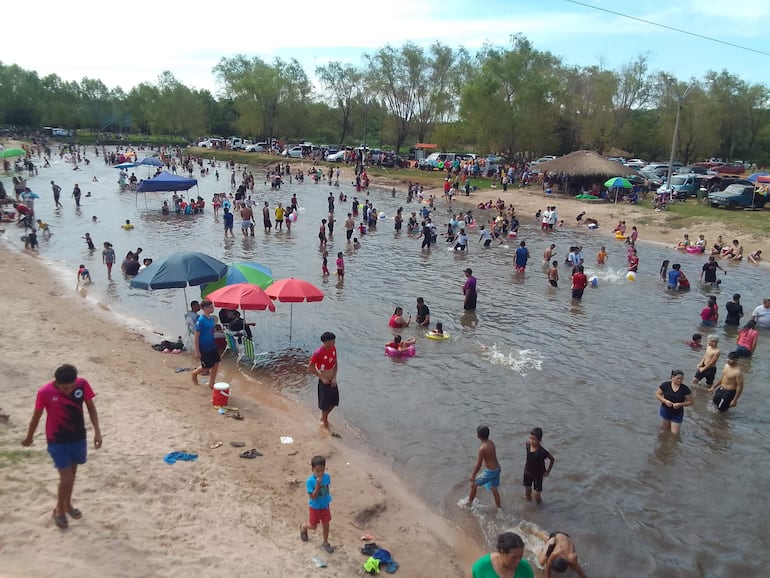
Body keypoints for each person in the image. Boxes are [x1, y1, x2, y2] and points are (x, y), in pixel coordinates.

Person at [21, 364, 102, 529]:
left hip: (78, 437)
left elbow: (91, 407)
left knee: (72, 474)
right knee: (66, 478)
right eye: (65, 388)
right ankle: (59, 509)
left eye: (72, 386)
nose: (69, 390)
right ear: (56, 382)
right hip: (56, 440)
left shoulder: (82, 385)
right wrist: (29, 436)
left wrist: (97, 432)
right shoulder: (45, 392)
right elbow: (36, 416)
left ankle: (67, 504)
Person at [299, 455, 334, 554]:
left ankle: (325, 542)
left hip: (325, 506)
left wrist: (327, 501)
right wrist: (318, 485)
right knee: (313, 526)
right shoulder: (310, 481)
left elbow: (326, 490)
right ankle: (303, 527)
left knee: (326, 524)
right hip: (315, 507)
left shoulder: (326, 477)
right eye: (317, 471)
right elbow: (313, 497)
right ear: (312, 470)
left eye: (322, 471)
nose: (320, 473)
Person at [308, 331, 339, 430]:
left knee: (334, 402)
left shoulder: (333, 349)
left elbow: (335, 363)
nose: (334, 343)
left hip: (332, 380)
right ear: (326, 342)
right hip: (324, 382)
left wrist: (334, 377)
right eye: (333, 341)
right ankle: (325, 425)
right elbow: (310, 368)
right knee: (325, 405)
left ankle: (323, 417)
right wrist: (322, 377)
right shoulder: (318, 353)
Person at [467, 425, 502, 509]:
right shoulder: (491, 442)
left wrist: (472, 475)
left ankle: (468, 504)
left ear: (478, 436)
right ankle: (499, 508)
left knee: (474, 484)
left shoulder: (482, 448)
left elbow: (479, 464)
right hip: (497, 469)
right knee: (494, 488)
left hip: (491, 472)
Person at [191, 300, 220, 387]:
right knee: (207, 366)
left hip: (212, 345)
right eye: (210, 307)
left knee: (216, 363)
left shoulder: (211, 319)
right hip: (204, 347)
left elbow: (210, 332)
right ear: (204, 308)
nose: (212, 308)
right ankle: (194, 373)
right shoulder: (201, 320)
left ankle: (211, 382)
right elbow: (196, 336)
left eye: (212, 306)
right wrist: (197, 351)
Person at [523, 427, 555, 504]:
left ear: (540, 441)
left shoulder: (542, 451)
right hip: (527, 472)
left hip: (538, 475)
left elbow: (552, 459)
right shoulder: (528, 445)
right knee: (527, 493)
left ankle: (541, 507)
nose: (531, 441)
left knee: (537, 496)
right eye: (530, 438)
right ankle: (529, 507)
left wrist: (548, 471)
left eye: (534, 439)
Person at [656, 369, 693, 434]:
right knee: (665, 429)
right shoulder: (665, 385)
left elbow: (690, 401)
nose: (680, 380)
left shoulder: (685, 389)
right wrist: (665, 401)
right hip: (665, 410)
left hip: (677, 413)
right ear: (672, 377)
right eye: (678, 378)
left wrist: (680, 404)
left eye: (681, 379)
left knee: (675, 433)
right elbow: (658, 395)